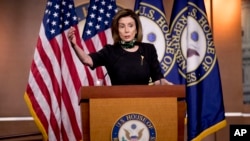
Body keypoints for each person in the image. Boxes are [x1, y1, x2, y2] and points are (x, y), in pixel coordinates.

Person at [68, 8, 172, 85]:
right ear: (117, 30)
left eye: (130, 26)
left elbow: (158, 79)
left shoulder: (148, 50)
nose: (126, 30)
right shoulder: (110, 51)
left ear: (136, 29)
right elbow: (87, 60)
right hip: (117, 105)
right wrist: (74, 45)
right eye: (122, 26)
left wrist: (168, 85)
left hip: (143, 104)